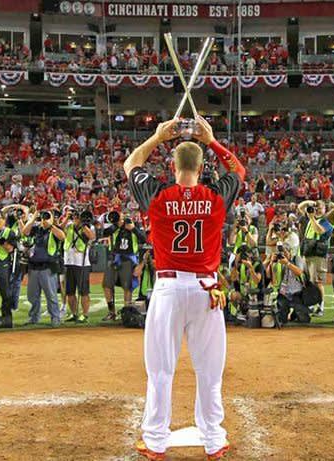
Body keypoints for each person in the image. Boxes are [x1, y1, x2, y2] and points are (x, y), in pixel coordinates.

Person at [125, 116, 243, 460]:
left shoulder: (158, 196)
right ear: (203, 167)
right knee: (209, 370)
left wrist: (156, 137)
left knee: (160, 370)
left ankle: (156, 441)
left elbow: (131, 163)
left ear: (172, 166)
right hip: (207, 290)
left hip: (169, 289)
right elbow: (238, 170)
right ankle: (212, 439)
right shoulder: (215, 196)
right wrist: (212, 140)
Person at [22, 209, 65, 326]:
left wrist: (50, 225)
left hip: (48, 268)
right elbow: (25, 231)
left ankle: (55, 318)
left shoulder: (55, 230)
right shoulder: (36, 229)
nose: (44, 219)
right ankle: (34, 317)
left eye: (47, 217)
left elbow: (62, 237)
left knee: (51, 295)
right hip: (33, 267)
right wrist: (34, 216)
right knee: (32, 296)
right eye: (42, 217)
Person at [101, 212, 146, 321]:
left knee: (127, 287)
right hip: (115, 259)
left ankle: (127, 313)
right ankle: (111, 312)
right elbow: (104, 233)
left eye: (120, 216)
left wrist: (133, 229)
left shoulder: (133, 224)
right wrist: (117, 225)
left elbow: (144, 239)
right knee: (106, 284)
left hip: (129, 260)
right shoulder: (115, 226)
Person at [297, 199, 333, 316]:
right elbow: (300, 207)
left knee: (317, 282)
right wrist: (310, 203)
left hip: (318, 256)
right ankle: (311, 304)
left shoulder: (326, 222)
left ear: (325, 210)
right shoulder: (310, 218)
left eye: (320, 208)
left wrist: (312, 217)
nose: (317, 210)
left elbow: (320, 231)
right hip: (307, 254)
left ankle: (320, 307)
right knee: (307, 281)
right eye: (316, 208)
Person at [62, 209, 96, 323]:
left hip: (81, 263)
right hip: (68, 262)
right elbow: (60, 228)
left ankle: (84, 314)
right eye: (75, 216)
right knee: (70, 291)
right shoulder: (69, 226)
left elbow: (92, 237)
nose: (75, 218)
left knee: (83, 291)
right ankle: (73, 313)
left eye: (78, 216)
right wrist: (67, 217)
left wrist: (82, 224)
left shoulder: (87, 227)